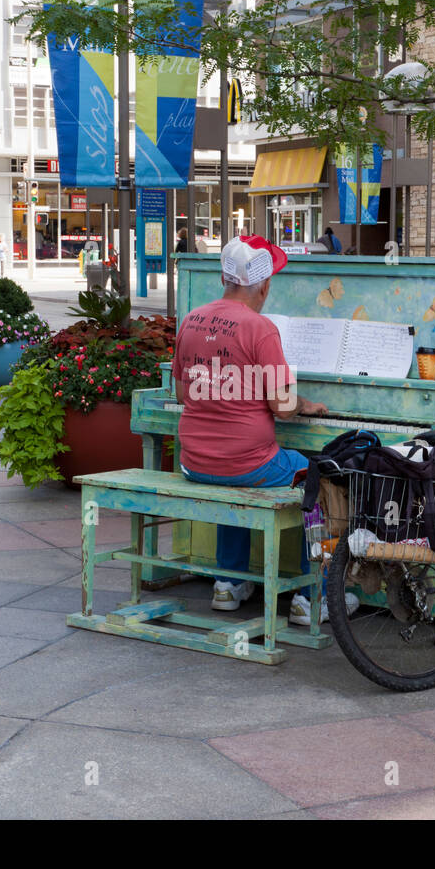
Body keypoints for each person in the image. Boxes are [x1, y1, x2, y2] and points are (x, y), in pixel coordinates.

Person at [172, 234, 359, 625]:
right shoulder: (260, 329)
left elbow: (181, 392)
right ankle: (314, 597)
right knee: (324, 482)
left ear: (225, 278)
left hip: (193, 460)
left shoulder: (191, 320)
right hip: (246, 463)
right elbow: (284, 407)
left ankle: (228, 583)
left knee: (232, 476)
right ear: (265, 284)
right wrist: (307, 404)